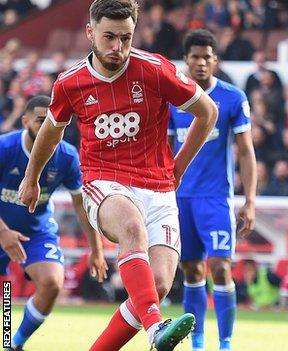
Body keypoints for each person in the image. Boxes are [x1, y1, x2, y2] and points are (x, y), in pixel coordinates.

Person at [17, 1, 218, 350]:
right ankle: (13, 341)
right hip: (103, 182)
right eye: (109, 37)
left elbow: (207, 112)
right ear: (90, 32)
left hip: (157, 188)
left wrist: (178, 167)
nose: (118, 48)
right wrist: (31, 177)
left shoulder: (154, 69)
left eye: (125, 38)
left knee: (155, 289)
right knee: (130, 228)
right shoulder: (70, 83)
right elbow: (52, 130)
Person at [168, 29, 257, 351]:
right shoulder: (173, 98)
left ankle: (226, 343)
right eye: (195, 57)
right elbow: (164, 149)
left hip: (216, 198)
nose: (201, 62)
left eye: (207, 57)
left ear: (215, 61)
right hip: (179, 198)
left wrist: (249, 201)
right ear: (186, 60)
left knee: (220, 267)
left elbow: (246, 152)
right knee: (191, 269)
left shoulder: (233, 98)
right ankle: (198, 342)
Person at [0, 96, 107, 351]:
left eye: (54, 121)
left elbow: (81, 205)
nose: (49, 126)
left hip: (36, 232)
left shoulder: (67, 157)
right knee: (6, 297)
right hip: (1, 227)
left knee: (52, 283)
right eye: (40, 120)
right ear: (25, 121)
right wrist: (3, 233)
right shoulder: (5, 148)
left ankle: (14, 344)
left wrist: (96, 249)